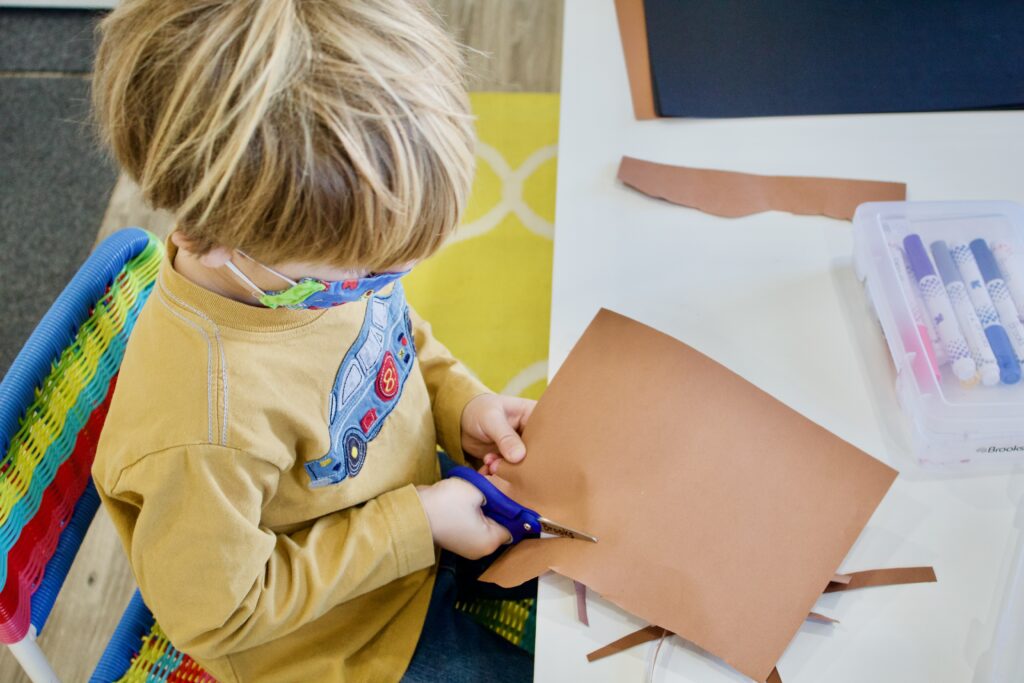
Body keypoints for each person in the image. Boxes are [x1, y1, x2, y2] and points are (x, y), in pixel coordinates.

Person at [91, 1, 534, 680]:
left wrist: (462, 404)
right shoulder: (202, 429)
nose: (375, 285)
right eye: (359, 273)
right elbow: (218, 612)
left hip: (415, 525)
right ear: (217, 239)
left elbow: (392, 333)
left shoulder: (312, 267)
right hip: (341, 644)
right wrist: (415, 525)